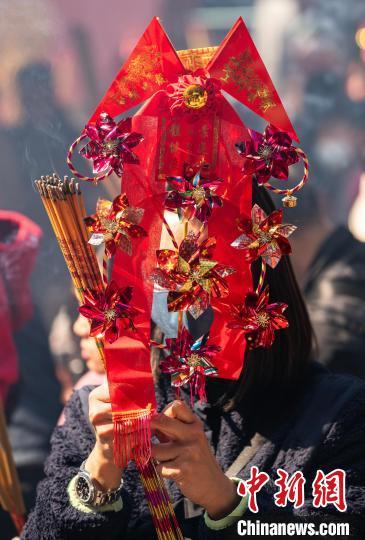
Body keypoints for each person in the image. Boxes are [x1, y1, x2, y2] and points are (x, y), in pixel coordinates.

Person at [21, 183, 365, 540]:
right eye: (163, 280)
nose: (186, 306)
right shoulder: (96, 414)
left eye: (208, 278)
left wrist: (224, 501)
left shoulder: (338, 414)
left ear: (264, 285)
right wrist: (99, 474)